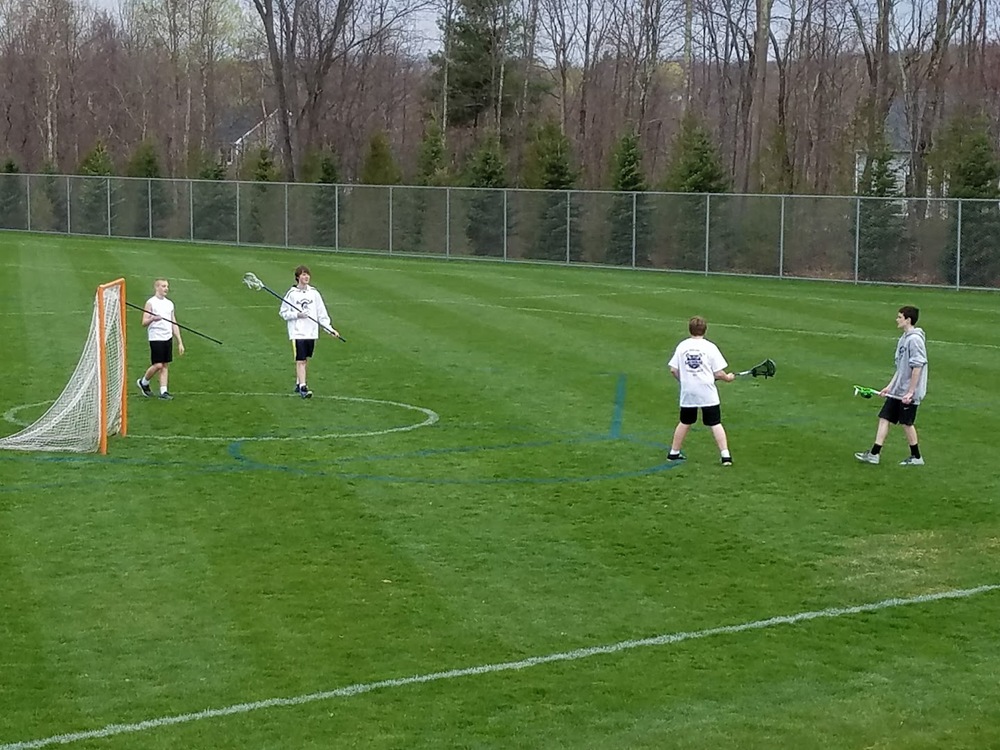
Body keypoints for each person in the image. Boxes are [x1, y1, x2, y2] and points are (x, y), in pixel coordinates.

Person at [855, 305, 928, 466]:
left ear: (908, 320)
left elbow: (917, 366)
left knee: (906, 423)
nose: (897, 319)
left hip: (908, 392)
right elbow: (901, 368)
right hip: (898, 390)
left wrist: (910, 392)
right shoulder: (903, 339)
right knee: (884, 417)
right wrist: (890, 386)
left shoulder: (915, 340)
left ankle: (916, 457)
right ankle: (874, 453)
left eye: (899, 317)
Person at [666, 316, 736, 465]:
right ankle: (725, 456)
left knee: (685, 421)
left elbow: (673, 370)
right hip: (707, 391)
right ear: (705, 329)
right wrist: (727, 378)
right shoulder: (710, 347)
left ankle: (673, 453)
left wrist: (684, 381)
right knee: (715, 422)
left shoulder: (682, 346)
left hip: (688, 391)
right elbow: (718, 373)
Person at [280, 265, 339, 399]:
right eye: (303, 275)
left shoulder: (314, 293)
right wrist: (297, 315)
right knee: (300, 360)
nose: (306, 277)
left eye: (307, 274)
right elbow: (283, 312)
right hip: (298, 332)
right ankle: (303, 387)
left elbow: (321, 313)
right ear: (297, 277)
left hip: (311, 332)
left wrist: (329, 329)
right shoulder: (292, 294)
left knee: (305, 360)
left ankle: (298, 382)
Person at [136, 278, 184, 400]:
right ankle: (144, 382)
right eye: (163, 286)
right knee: (158, 365)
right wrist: (153, 318)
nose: (166, 288)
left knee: (165, 365)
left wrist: (179, 341)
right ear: (156, 287)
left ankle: (164, 392)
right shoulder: (151, 303)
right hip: (156, 337)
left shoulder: (169, 304)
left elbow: (174, 322)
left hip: (167, 337)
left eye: (167, 286)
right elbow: (144, 322)